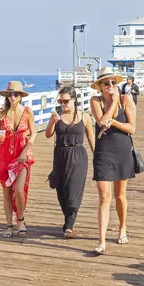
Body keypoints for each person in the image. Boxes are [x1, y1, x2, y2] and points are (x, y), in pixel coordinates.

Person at [90, 67, 136, 254]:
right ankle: (101, 241)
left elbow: (132, 128)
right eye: (106, 83)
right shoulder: (96, 101)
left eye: (113, 82)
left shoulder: (126, 100)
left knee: (120, 196)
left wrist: (116, 120)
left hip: (122, 151)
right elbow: (102, 122)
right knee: (104, 197)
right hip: (103, 152)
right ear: (100, 86)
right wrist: (112, 102)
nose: (110, 85)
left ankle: (122, 227)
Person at [45, 86, 95, 238]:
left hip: (78, 155)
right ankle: (68, 218)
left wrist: (97, 156)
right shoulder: (57, 115)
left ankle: (69, 224)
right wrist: (53, 122)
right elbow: (48, 134)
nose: (63, 104)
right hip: (60, 154)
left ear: (74, 99)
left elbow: (91, 137)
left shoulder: (84, 117)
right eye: (60, 101)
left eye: (66, 101)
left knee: (74, 189)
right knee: (61, 191)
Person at [0, 81, 37, 238]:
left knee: (19, 190)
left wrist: (26, 149)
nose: (12, 97)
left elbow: (33, 133)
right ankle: (8, 225)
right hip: (5, 156)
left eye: (15, 94)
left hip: (22, 156)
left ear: (21, 96)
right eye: (9, 94)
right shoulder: (1, 113)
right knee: (6, 193)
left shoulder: (27, 112)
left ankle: (20, 219)